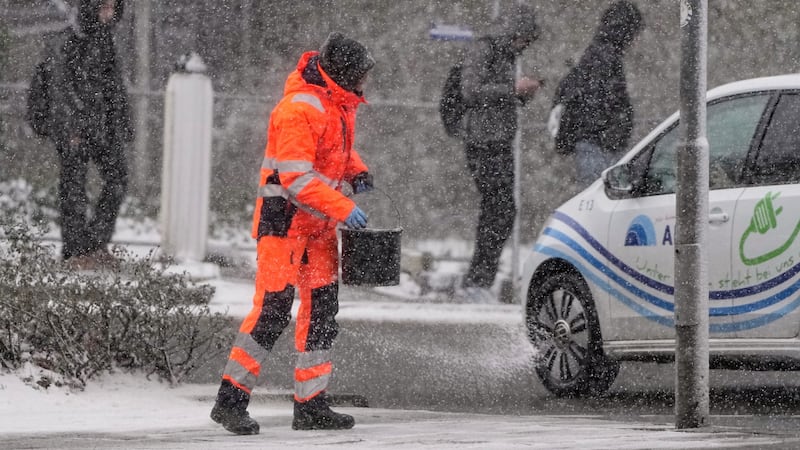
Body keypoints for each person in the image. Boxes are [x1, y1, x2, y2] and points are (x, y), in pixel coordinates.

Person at [210, 32, 375, 435]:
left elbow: (333, 150)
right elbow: (297, 178)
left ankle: (311, 405)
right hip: (284, 224)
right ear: (344, 73)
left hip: (317, 227)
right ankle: (230, 401)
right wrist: (344, 207)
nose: (366, 82)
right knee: (272, 311)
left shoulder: (335, 103)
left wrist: (357, 170)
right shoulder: (299, 108)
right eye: (363, 74)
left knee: (320, 314)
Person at [26, 0, 132, 270]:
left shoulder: (104, 39)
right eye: (104, 6)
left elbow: (114, 87)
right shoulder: (72, 39)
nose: (109, 12)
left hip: (102, 128)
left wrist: (122, 123)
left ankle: (93, 244)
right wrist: (72, 127)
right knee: (73, 188)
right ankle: (76, 251)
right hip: (76, 129)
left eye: (112, 7)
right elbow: (62, 88)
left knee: (116, 179)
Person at [458, 4, 541, 303]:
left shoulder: (505, 55)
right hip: (484, 142)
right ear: (514, 33)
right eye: (523, 39)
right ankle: (476, 281)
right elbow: (470, 90)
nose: (523, 46)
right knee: (500, 209)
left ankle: (479, 279)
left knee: (500, 210)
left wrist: (520, 94)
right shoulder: (486, 48)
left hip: (498, 140)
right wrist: (512, 89)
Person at [550, 0, 643, 186]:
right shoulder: (605, 58)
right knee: (600, 197)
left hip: (596, 143)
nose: (636, 40)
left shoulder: (598, 54)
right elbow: (601, 103)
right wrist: (615, 132)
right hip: (599, 146)